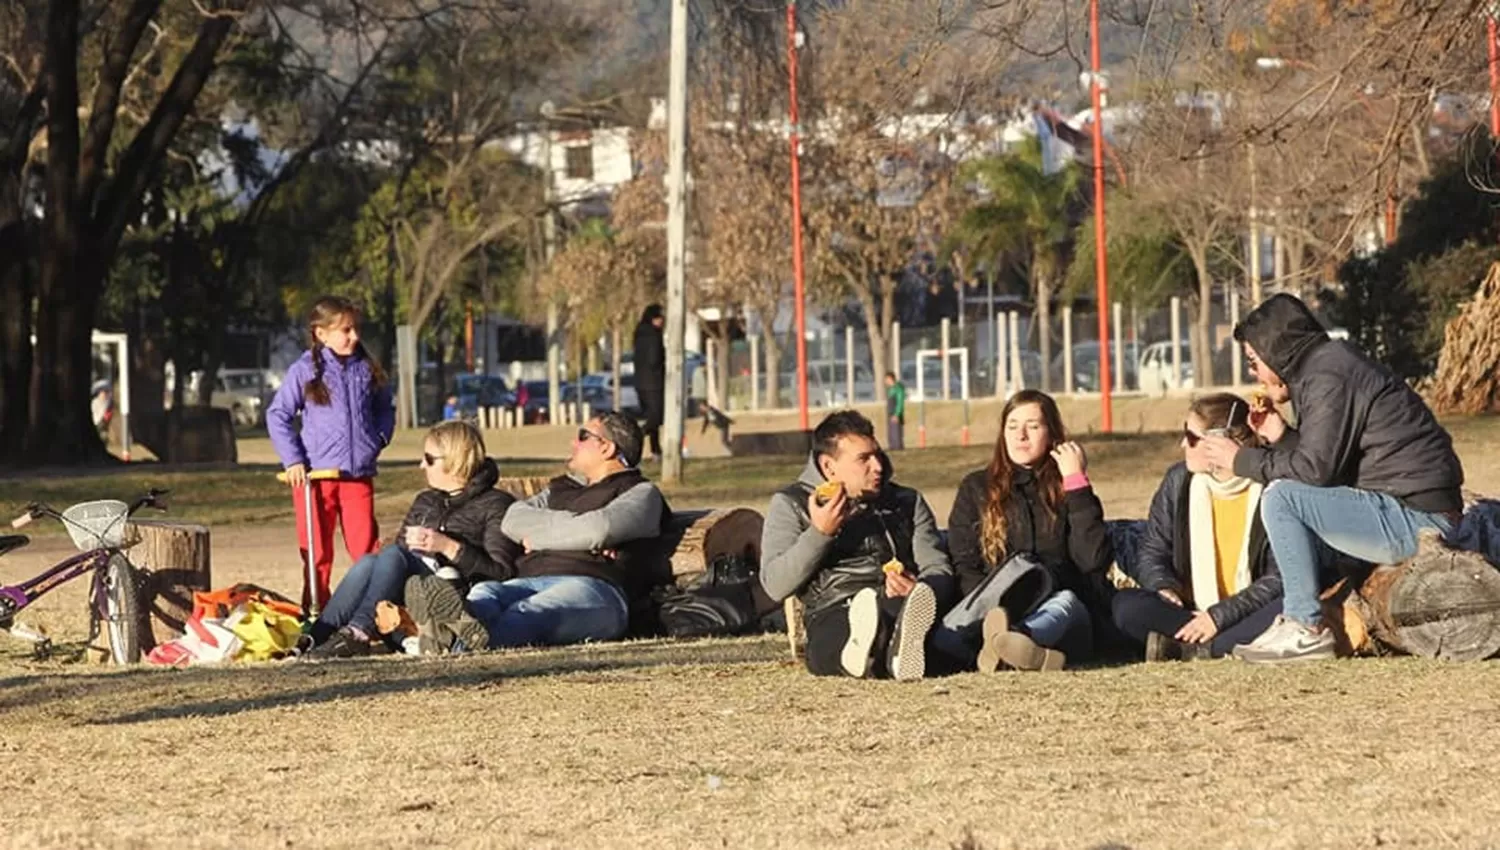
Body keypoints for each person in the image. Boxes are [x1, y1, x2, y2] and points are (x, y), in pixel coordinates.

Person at [1199, 294, 1465, 663]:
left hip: (1419, 520)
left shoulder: (1328, 376)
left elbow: (1316, 472)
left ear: (1277, 351)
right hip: (1409, 509)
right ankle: (1294, 619)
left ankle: (1304, 628)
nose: (1254, 374)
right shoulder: (1327, 368)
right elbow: (1330, 467)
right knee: (1294, 507)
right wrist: (1282, 437)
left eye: (1253, 361)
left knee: (1281, 497)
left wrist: (1241, 460)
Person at [405, 411, 669, 652]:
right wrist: (577, 536)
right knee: (486, 594)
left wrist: (541, 534)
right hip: (528, 580)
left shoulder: (640, 492)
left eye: (582, 436)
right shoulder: (561, 488)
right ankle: (448, 634)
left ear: (608, 447)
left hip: (596, 588)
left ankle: (452, 646)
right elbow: (513, 519)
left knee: (527, 612)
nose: (572, 443)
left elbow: (600, 529)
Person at [759, 410, 953, 680]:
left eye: (877, 455)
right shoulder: (791, 503)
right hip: (833, 609)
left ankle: (886, 653)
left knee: (906, 618)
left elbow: (937, 566)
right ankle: (874, 652)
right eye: (864, 459)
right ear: (829, 467)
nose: (878, 467)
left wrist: (923, 589)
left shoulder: (906, 502)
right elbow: (775, 584)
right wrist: (820, 533)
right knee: (835, 637)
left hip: (898, 604)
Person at [302, 421, 520, 659]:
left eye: (429, 458)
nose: (421, 465)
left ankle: (358, 632)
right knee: (369, 562)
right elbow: (396, 559)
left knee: (393, 554)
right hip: (410, 593)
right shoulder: (426, 501)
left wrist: (449, 547)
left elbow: (501, 574)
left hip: (453, 594)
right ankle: (315, 637)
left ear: (454, 461)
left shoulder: (496, 505)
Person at [935, 390, 1112, 672]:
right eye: (1013, 426)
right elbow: (965, 563)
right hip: (993, 607)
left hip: (1063, 610)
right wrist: (993, 608)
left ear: (1052, 434)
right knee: (945, 641)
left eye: (1033, 426)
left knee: (1063, 603)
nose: (1021, 436)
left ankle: (1016, 642)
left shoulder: (1068, 487)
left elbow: (1092, 560)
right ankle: (1012, 648)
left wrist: (1076, 485)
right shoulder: (976, 487)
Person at [1110, 393, 1283, 661]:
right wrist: (1163, 587)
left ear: (1220, 443)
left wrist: (1218, 617)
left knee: (1288, 607)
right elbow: (1153, 550)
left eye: (1191, 437)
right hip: (1189, 612)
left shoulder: (1271, 488)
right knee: (1126, 606)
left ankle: (1194, 647)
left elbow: (1278, 577)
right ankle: (1211, 644)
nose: (1182, 444)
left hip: (1248, 611)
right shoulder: (1179, 481)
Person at [267, 295, 395, 610]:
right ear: (321, 334)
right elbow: (278, 415)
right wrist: (294, 460)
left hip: (357, 476)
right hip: (316, 478)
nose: (354, 336)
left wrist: (377, 438)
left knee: (366, 549)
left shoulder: (366, 367)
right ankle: (316, 612)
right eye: (345, 330)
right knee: (317, 552)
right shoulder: (304, 370)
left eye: (355, 329)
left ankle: (372, 611)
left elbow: (384, 408)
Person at [632, 304, 666, 462]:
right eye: (660, 318)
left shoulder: (638, 334)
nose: (662, 321)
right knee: (656, 417)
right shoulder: (654, 335)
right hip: (654, 382)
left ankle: (656, 451)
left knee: (652, 417)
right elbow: (654, 359)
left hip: (640, 382)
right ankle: (636, 435)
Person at [884, 371, 906, 451]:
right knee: (891, 433)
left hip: (895, 415)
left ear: (890, 379)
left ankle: (898, 447)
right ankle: (892, 446)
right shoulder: (890, 389)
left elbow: (900, 403)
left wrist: (896, 414)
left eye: (886, 379)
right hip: (890, 414)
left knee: (896, 433)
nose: (885, 382)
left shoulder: (898, 389)